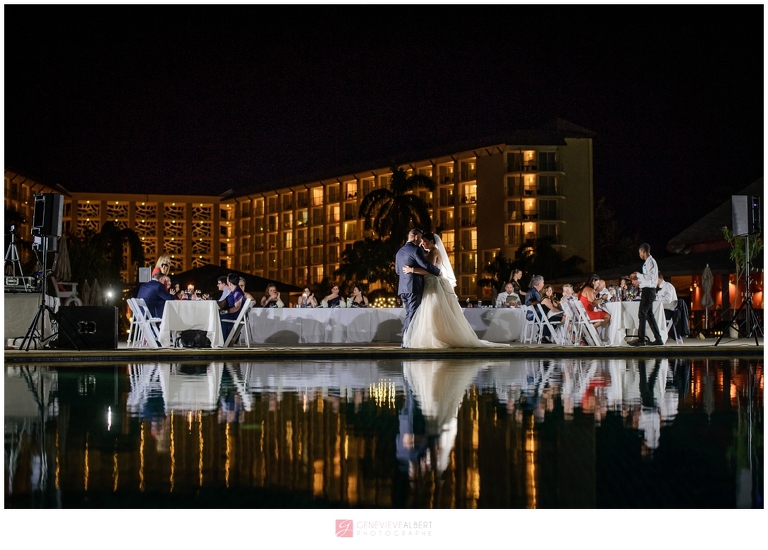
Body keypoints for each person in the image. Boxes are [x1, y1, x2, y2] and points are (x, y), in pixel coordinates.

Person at [400, 233, 506, 349]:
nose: (423, 243)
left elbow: (430, 270)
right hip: (431, 283)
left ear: (432, 242)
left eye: (425, 241)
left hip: (433, 284)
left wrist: (412, 269)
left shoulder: (433, 252)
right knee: (433, 311)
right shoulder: (432, 252)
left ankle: (435, 337)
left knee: (432, 310)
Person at [395, 228, 441, 345]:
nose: (421, 241)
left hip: (403, 288)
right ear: (415, 237)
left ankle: (406, 340)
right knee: (413, 314)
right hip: (413, 287)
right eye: (421, 238)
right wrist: (438, 272)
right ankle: (407, 342)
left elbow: (397, 271)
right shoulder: (416, 250)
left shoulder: (399, 251)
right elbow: (426, 265)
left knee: (409, 313)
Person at [629, 243, 664, 346]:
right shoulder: (647, 263)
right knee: (649, 315)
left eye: (640, 252)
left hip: (649, 291)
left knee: (642, 314)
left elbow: (650, 277)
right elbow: (648, 279)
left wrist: (637, 275)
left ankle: (641, 340)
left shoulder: (651, 262)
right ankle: (658, 339)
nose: (639, 254)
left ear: (643, 251)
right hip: (647, 290)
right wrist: (639, 281)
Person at [219, 273, 245, 342]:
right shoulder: (234, 291)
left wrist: (225, 311)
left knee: (217, 317)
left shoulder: (237, 292)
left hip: (233, 315)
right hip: (231, 314)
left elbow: (236, 307)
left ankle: (222, 340)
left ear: (230, 283)